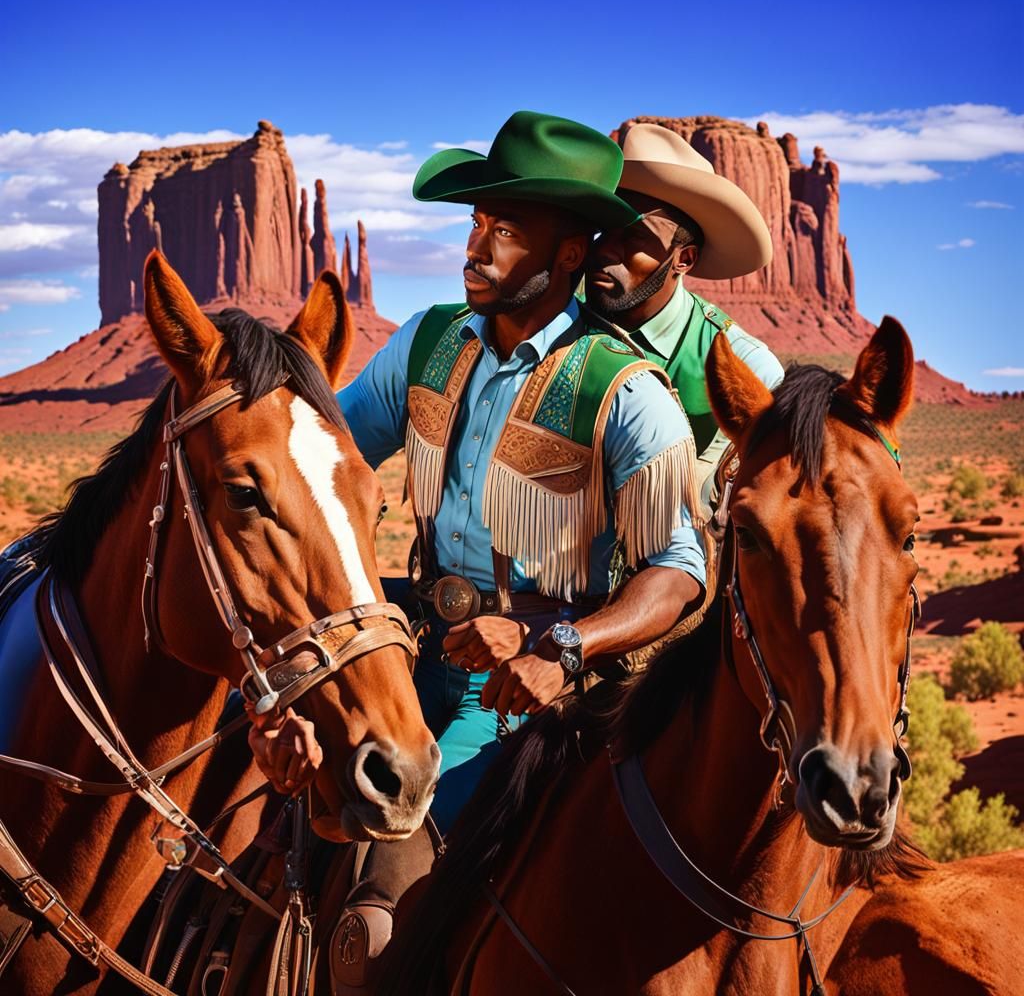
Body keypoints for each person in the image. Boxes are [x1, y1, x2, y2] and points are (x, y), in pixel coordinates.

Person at [248, 111, 708, 992]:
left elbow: (675, 569)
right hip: (406, 644)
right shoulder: (427, 341)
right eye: (475, 223)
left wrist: (563, 650)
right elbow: (321, 463)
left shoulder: (624, 390)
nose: (478, 246)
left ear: (568, 255)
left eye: (506, 229)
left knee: (380, 923)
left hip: (516, 694)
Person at [586, 123, 784, 508]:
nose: (606, 250)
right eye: (603, 230)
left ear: (684, 259)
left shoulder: (747, 368)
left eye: (635, 238)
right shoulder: (554, 328)